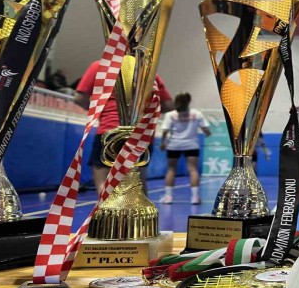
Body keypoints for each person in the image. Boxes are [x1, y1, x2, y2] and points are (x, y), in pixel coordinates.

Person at [74, 60, 174, 195]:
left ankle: (107, 208)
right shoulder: (147, 71)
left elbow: (80, 99)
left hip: (110, 130)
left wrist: (99, 109)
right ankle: (138, 208)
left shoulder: (99, 66)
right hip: (141, 133)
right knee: (138, 184)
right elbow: (168, 105)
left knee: (104, 181)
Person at [159, 93, 211, 204]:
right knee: (193, 169)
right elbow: (206, 130)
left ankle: (168, 197)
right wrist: (208, 133)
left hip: (174, 145)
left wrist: (163, 143)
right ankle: (195, 198)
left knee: (171, 170)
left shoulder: (170, 115)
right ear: (189, 101)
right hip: (191, 145)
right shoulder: (196, 114)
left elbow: (165, 131)